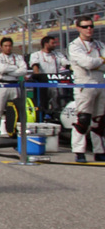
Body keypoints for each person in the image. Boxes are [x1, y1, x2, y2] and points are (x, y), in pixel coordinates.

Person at [67, 17, 105, 162]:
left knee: (100, 120)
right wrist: (101, 60)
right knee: (83, 119)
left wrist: (96, 63)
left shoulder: (100, 45)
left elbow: (92, 63)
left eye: (91, 26)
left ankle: (99, 150)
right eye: (85, 26)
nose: (89, 29)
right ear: (78, 28)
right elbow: (87, 63)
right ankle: (79, 151)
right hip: (84, 84)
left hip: (101, 83)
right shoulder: (74, 45)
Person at [0, 37, 28, 138]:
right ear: (1, 47)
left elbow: (24, 70)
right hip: (2, 85)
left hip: (15, 84)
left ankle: (14, 131)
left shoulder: (18, 57)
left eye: (9, 46)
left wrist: (9, 70)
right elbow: (1, 69)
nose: (8, 48)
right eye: (5, 46)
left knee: (16, 109)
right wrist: (15, 68)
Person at [27, 34, 69, 122]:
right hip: (42, 83)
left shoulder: (58, 54)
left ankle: (58, 119)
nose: (55, 45)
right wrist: (38, 76)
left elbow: (66, 64)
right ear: (46, 44)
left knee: (58, 103)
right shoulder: (36, 55)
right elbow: (35, 67)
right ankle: (41, 120)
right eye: (53, 43)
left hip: (55, 82)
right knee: (42, 104)